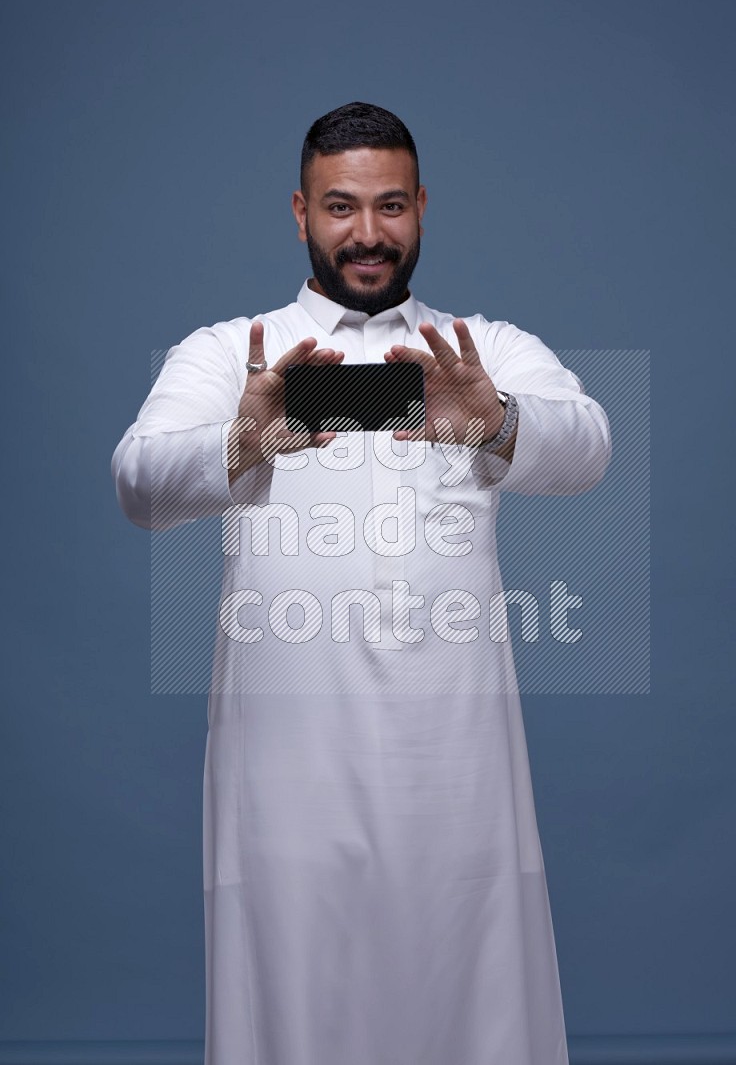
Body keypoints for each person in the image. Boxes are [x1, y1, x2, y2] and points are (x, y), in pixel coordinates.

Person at [112, 101, 611, 1065]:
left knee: (475, 999)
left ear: (422, 207)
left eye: (390, 206)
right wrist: (241, 440)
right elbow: (137, 481)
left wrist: (499, 421)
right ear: (299, 212)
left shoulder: (482, 351)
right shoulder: (233, 354)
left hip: (456, 762)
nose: (369, 234)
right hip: (289, 762)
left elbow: (588, 445)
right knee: (298, 1001)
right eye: (342, 207)